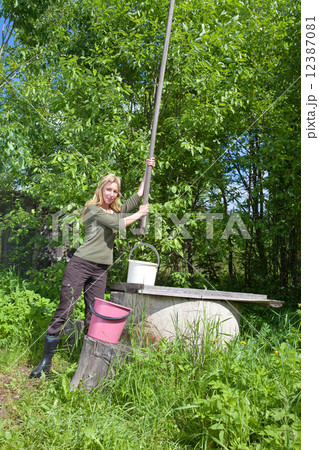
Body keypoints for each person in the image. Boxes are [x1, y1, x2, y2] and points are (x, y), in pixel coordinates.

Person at [30, 158, 155, 378]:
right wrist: (139, 215)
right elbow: (119, 224)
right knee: (65, 310)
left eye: (115, 192)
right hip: (81, 265)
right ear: (101, 189)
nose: (112, 194)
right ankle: (44, 364)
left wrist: (148, 169)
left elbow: (138, 196)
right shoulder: (93, 209)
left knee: (94, 316)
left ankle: (86, 365)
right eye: (109, 189)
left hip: (100, 269)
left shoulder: (115, 211)